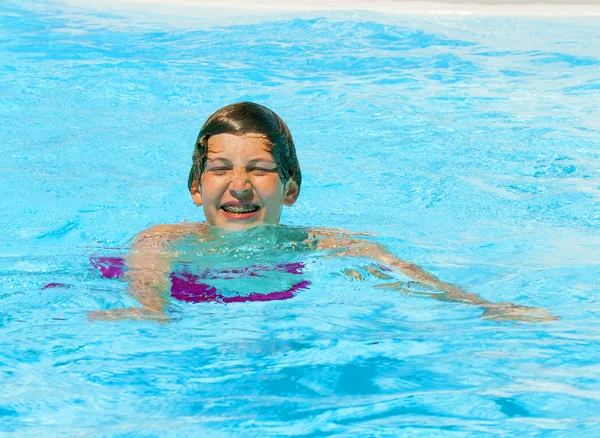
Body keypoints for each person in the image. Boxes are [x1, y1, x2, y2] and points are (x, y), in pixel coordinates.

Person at [89, 102, 556, 323]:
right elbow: (146, 281)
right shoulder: (165, 240)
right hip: (190, 305)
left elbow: (399, 273)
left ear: (290, 191)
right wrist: (149, 311)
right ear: (196, 188)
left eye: (260, 170)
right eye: (220, 170)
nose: (239, 185)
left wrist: (482, 306)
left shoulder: (317, 244)